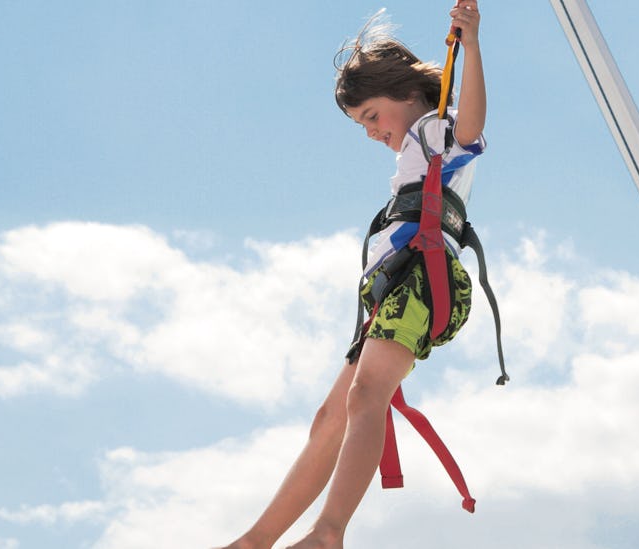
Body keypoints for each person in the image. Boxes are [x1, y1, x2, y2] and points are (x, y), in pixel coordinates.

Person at [219, 2, 487, 548]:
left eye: (371, 116)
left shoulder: (437, 131)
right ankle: (257, 540)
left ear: (408, 95)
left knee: (366, 398)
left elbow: (474, 121)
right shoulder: (418, 148)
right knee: (331, 417)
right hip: (394, 289)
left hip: (421, 279)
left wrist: (473, 45)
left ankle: (327, 533)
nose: (369, 132)